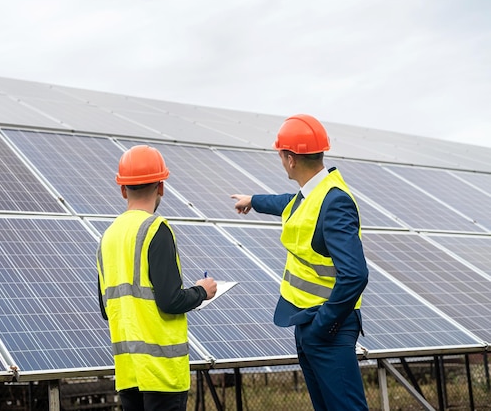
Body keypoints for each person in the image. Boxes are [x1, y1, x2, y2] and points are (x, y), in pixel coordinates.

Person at [231, 114, 369, 411]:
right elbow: (289, 203)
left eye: (281, 155)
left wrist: (323, 325)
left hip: (328, 327)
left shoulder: (335, 201)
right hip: (308, 322)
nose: (281, 161)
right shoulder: (312, 194)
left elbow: (356, 275)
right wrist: (253, 200)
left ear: (290, 159)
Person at [97, 144, 217, 411]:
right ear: (161, 187)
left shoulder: (108, 237)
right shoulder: (156, 229)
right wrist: (202, 291)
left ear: (122, 189)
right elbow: (170, 300)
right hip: (161, 372)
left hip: (129, 372)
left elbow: (107, 309)